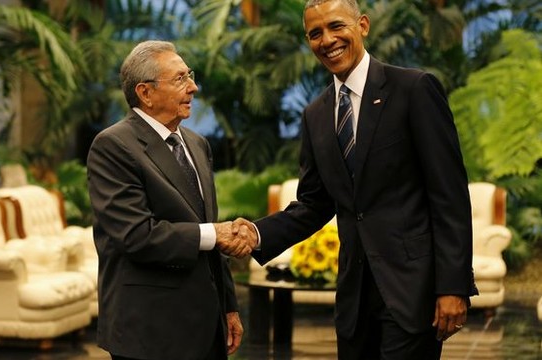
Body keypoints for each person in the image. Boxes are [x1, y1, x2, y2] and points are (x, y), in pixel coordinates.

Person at [234, 0, 478, 358]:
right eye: (315, 33)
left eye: (336, 26)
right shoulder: (315, 114)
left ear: (362, 25)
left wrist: (453, 287)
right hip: (354, 302)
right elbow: (314, 204)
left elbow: (449, 196)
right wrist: (256, 234)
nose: (327, 39)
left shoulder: (414, 89)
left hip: (412, 293)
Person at [87, 40, 252, 360]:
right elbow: (136, 236)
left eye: (189, 75)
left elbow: (207, 227)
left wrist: (229, 306)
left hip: (207, 326)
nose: (193, 87)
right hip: (150, 332)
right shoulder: (112, 146)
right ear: (145, 93)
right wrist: (214, 233)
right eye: (180, 79)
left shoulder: (197, 143)